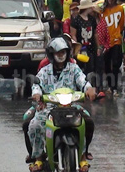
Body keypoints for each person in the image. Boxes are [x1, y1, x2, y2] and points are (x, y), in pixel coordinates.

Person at [27, 36, 96, 172]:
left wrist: (88, 89)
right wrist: (37, 94)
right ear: (51, 55)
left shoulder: (73, 68)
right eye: (58, 53)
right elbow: (37, 85)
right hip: (50, 107)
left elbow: (82, 80)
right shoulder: (45, 71)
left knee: (88, 122)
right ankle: (39, 157)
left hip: (72, 106)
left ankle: (82, 156)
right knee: (35, 125)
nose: (61, 55)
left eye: (63, 52)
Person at [100, 0, 125, 96]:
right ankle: (110, 85)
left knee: (115, 64)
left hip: (116, 39)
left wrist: (117, 34)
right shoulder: (103, 10)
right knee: (106, 64)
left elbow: (121, 24)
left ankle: (114, 87)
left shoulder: (120, 9)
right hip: (106, 41)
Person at [70, 0, 99, 80]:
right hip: (81, 48)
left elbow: (95, 33)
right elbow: (73, 35)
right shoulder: (76, 20)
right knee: (81, 67)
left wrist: (98, 46)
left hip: (91, 47)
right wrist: (76, 47)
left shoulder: (92, 19)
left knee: (91, 66)